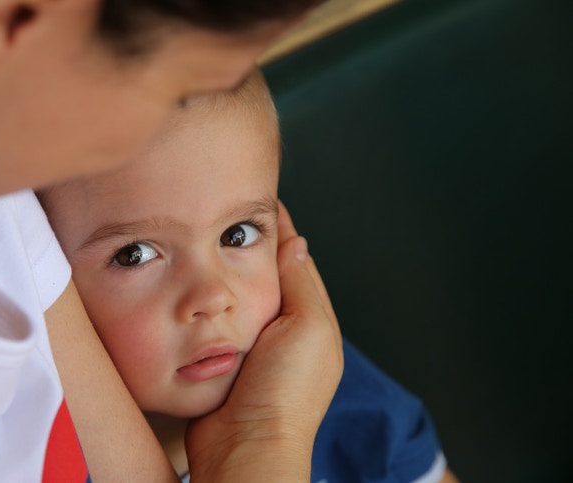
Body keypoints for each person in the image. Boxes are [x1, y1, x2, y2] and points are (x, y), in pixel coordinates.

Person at [0, 1, 344, 482]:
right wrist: (267, 440)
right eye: (178, 83)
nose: (171, 123)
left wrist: (259, 438)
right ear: (6, 21)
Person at [39, 69, 459, 482]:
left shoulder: (322, 383)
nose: (213, 296)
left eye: (236, 234)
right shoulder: (34, 460)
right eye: (134, 255)